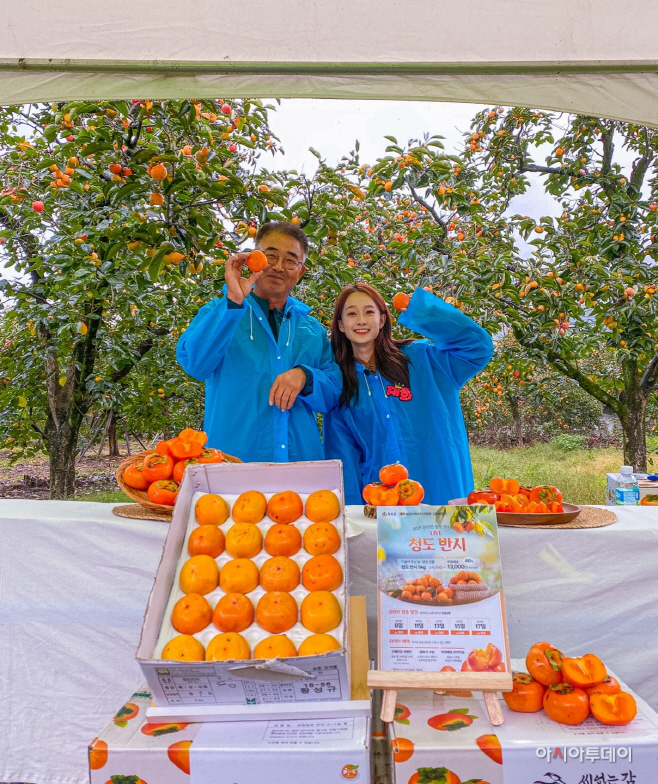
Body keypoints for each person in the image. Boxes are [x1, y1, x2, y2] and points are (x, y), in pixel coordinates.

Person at [176, 222, 341, 462]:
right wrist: (233, 302)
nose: (278, 267)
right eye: (270, 256)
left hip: (299, 462)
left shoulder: (312, 329)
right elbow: (195, 364)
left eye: (290, 260)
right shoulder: (219, 312)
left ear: (300, 272)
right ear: (254, 259)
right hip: (234, 462)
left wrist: (306, 376)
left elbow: (333, 391)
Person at [323, 282, 493, 505]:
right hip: (383, 501)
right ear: (341, 325)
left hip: (440, 490)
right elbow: (343, 458)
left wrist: (426, 313)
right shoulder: (340, 384)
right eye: (352, 313)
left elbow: (478, 348)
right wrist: (354, 514)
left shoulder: (423, 359)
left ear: (382, 320)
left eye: (369, 312)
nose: (361, 320)